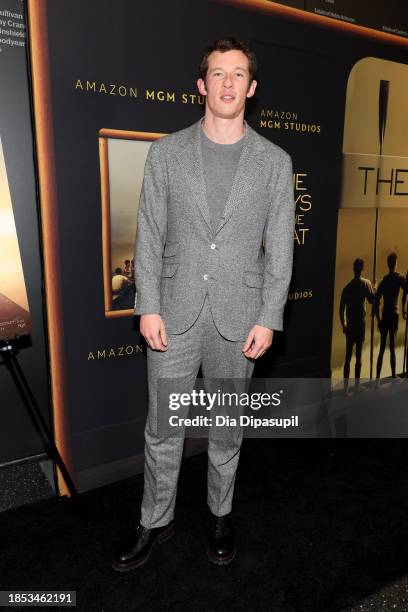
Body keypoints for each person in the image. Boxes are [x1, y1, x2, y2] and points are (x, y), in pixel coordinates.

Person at [112, 37, 295, 572]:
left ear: (252, 88)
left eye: (239, 74)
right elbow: (147, 234)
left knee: (226, 425)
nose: (228, 83)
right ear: (202, 84)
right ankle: (155, 518)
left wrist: (269, 314)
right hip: (172, 311)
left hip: (240, 318)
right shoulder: (166, 153)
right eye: (218, 73)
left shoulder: (275, 162)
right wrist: (147, 305)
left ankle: (219, 513)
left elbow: (281, 248)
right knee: (164, 426)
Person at [339, 258, 375, 392]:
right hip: (360, 324)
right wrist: (375, 289)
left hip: (351, 325)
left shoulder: (347, 287)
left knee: (348, 358)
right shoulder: (366, 284)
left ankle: (346, 389)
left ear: (354, 269)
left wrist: (344, 324)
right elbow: (372, 300)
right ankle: (357, 385)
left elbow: (341, 309)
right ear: (362, 269)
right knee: (358, 357)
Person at [375, 252, 406, 380]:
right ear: (395, 263)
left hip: (385, 314)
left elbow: (376, 301)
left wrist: (378, 319)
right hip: (394, 314)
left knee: (382, 348)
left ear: (388, 264)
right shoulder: (399, 278)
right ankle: (393, 375)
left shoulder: (384, 281)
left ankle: (377, 378)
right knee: (392, 347)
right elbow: (407, 289)